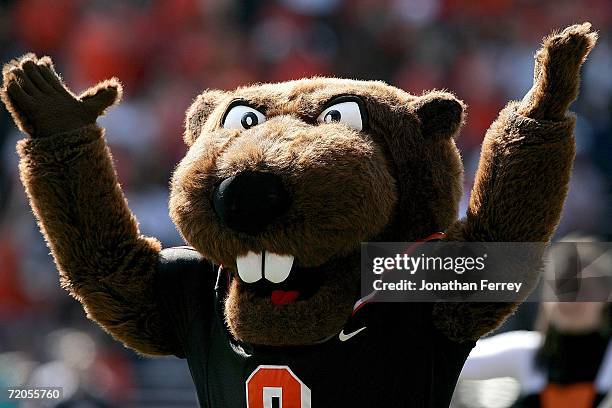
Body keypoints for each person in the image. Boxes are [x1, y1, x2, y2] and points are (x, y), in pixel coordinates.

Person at [459, 237, 612, 408]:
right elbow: (454, 360)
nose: (570, 300)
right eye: (561, 287)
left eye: (584, 288)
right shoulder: (527, 353)